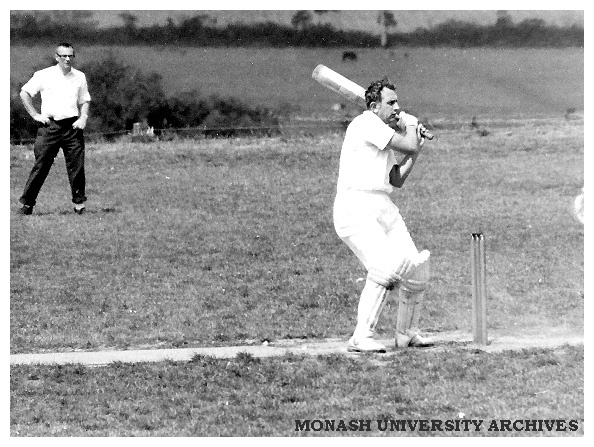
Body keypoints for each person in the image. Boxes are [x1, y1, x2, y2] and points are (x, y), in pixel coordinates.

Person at [333, 77, 433, 353]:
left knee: (415, 269)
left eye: (397, 102)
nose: (397, 107)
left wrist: (417, 148)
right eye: (391, 103)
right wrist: (411, 125)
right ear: (374, 106)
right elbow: (408, 143)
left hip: (382, 206)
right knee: (385, 269)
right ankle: (360, 337)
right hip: (355, 208)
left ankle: (406, 334)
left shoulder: (384, 132)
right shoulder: (366, 124)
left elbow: (396, 179)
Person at [18, 42, 91, 215]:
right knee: (41, 165)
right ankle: (27, 204)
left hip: (72, 127)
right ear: (56, 57)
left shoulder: (79, 76)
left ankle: (79, 204)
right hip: (50, 126)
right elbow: (24, 93)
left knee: (77, 166)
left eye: (70, 56)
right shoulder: (44, 75)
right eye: (63, 56)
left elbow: (85, 100)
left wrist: (83, 118)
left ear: (73, 57)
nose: (67, 59)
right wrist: (35, 115)